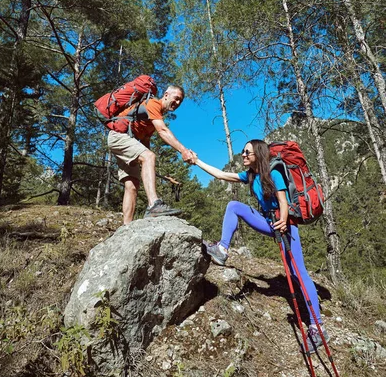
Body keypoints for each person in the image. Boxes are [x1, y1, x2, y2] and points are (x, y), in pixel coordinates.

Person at [191, 139, 329, 353]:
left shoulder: (274, 173)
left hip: (285, 226)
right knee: (234, 206)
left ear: (258, 154)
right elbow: (221, 175)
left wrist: (283, 221)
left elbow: (283, 202)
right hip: (268, 222)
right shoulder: (251, 175)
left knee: (298, 273)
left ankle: (317, 327)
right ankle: (222, 249)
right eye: (243, 152)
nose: (243, 155)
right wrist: (197, 161)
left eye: (247, 152)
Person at [108, 84, 195, 224]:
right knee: (149, 156)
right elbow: (163, 131)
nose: (178, 103)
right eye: (176, 98)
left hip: (126, 140)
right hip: (119, 136)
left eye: (180, 101)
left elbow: (145, 142)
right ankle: (154, 205)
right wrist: (183, 151)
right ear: (166, 94)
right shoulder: (154, 103)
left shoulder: (151, 118)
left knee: (132, 184)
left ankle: (126, 227)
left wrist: (148, 166)